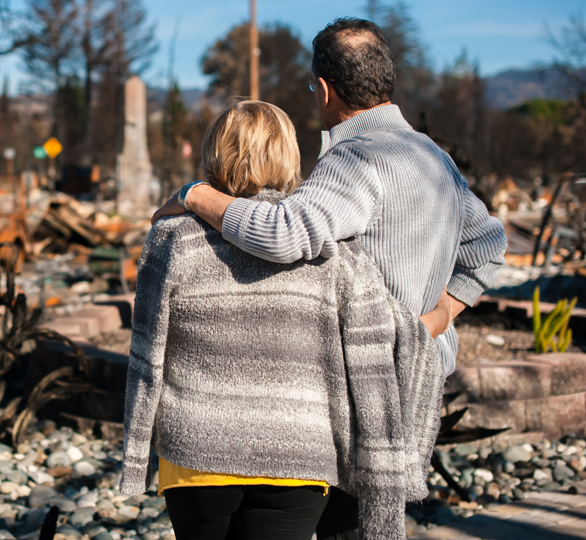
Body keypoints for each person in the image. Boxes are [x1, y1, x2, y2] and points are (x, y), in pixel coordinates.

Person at [151, 21, 508, 537]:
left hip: (363, 383)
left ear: (322, 88)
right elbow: (487, 244)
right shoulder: (434, 157)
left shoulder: (354, 158)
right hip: (419, 375)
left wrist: (193, 195)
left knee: (348, 527)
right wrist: (436, 318)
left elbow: (283, 233)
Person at [120, 100, 444, 540]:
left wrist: (137, 451)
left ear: (213, 154)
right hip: (298, 453)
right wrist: (441, 315)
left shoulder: (172, 237)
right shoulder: (333, 251)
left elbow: (146, 353)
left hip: (196, 451)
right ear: (289, 154)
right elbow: (378, 345)